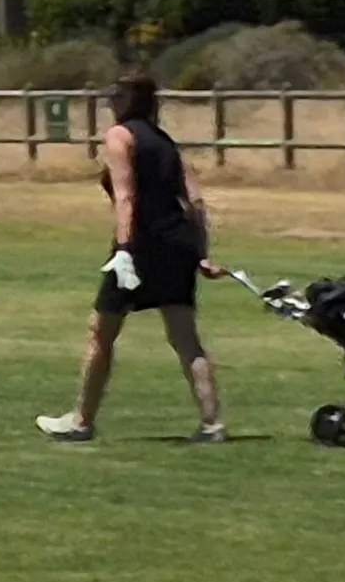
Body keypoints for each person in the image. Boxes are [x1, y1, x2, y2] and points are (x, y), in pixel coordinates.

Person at [37, 73, 225, 443]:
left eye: (115, 96)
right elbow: (196, 202)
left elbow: (126, 197)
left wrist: (124, 250)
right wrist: (201, 254)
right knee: (185, 337)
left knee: (101, 332)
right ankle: (213, 423)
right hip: (178, 243)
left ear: (126, 101)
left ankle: (81, 420)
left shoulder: (120, 137)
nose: (110, 102)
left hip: (141, 244)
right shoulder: (166, 142)